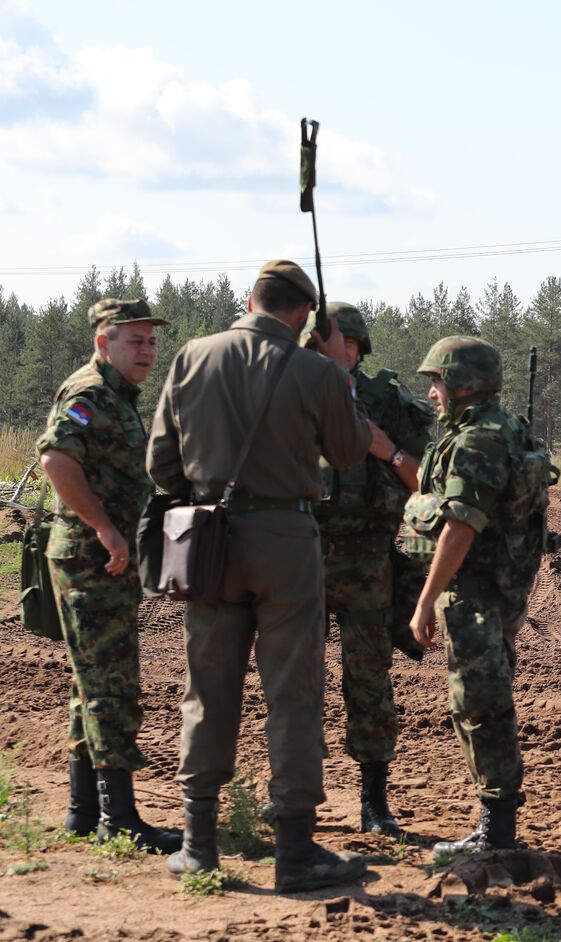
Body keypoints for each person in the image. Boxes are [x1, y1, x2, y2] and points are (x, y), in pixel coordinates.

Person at [148, 260, 392, 893]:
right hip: (287, 540)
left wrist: (208, 499)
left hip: (208, 542)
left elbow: (160, 463)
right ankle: (295, 853)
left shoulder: (190, 357)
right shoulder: (317, 371)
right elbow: (345, 453)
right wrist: (337, 376)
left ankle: (199, 845)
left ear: (251, 299)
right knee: (293, 693)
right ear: (304, 314)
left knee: (207, 687)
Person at [35, 298, 181, 853]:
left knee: (90, 686)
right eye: (134, 341)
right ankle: (118, 819)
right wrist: (106, 530)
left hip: (105, 559)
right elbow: (55, 460)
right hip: (91, 558)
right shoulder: (89, 393)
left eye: (150, 342)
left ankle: (82, 811)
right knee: (111, 688)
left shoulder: (118, 395)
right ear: (104, 343)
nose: (146, 350)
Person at [403, 337, 552, 856]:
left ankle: (497, 837)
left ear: (463, 384)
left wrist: (425, 600)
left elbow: (460, 528)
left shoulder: (476, 442)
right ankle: (495, 828)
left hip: (477, 594)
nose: (432, 392)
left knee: (481, 705)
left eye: (438, 381)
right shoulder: (503, 428)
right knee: (483, 702)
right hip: (498, 591)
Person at [314, 302, 434, 837]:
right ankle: (294, 797)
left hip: (367, 558)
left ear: (356, 346)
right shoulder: (291, 395)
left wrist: (386, 452)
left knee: (368, 681)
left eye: (333, 340)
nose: (319, 348)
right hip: (301, 555)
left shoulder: (388, 402)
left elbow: (424, 484)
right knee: (294, 684)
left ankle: (374, 802)